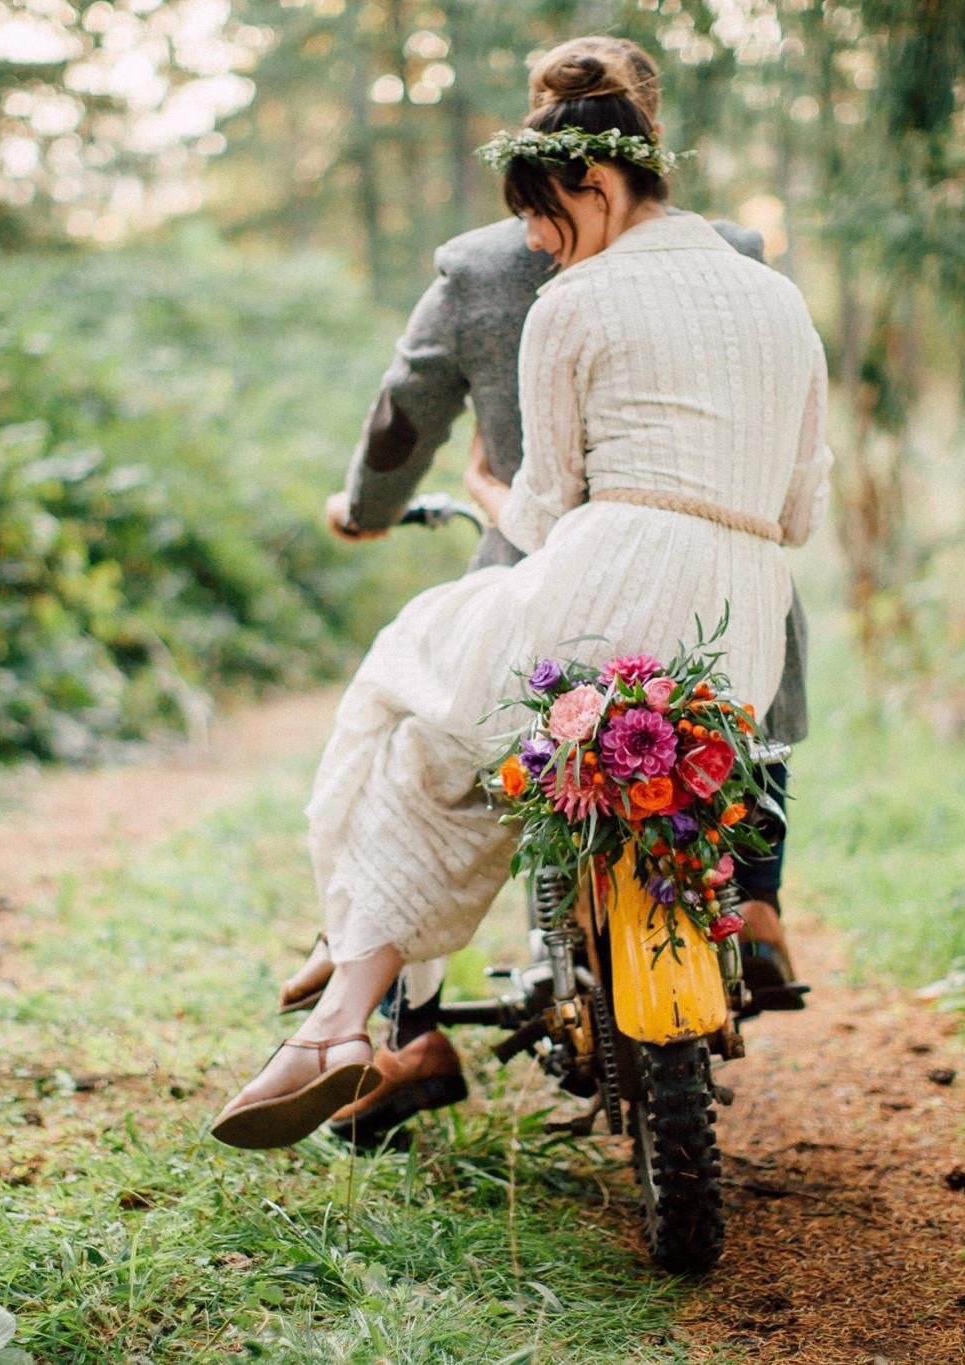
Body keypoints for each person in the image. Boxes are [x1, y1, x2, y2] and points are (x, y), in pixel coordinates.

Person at [210, 40, 832, 1151]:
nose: (543, 247)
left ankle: (348, 1015)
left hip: (606, 575)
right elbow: (798, 513)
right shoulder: (778, 297)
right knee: (458, 712)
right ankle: (732, 915)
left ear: (591, 184)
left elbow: (550, 510)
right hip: (738, 628)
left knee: (415, 699)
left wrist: (492, 491)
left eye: (545, 219)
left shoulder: (575, 301)